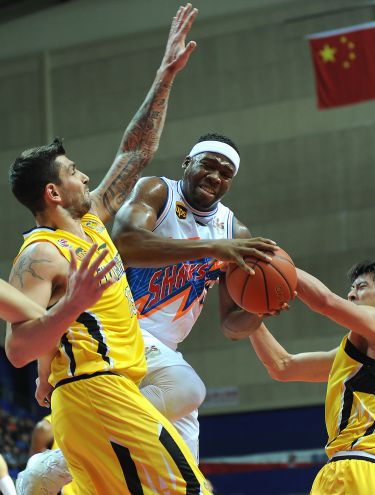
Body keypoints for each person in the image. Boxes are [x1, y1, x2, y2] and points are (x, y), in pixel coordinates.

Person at [8, 4, 213, 494]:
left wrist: (164, 76)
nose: (84, 176)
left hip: (104, 391)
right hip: (97, 392)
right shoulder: (41, 254)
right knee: (188, 488)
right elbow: (17, 347)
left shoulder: (92, 223)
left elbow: (135, 152)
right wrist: (69, 310)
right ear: (53, 193)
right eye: (72, 172)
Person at [111, 132, 279, 462]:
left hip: (166, 348)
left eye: (226, 173)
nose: (216, 177)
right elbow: (126, 245)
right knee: (188, 388)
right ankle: (77, 441)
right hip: (123, 327)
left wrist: (261, 308)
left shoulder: (234, 231)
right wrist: (211, 248)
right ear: (188, 163)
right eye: (209, 165)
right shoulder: (157, 191)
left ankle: (61, 459)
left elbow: (231, 327)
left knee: (185, 466)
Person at [250, 259, 375, 495]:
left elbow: (326, 301)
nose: (351, 294)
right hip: (354, 470)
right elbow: (283, 367)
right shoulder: (357, 356)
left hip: (365, 470)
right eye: (351, 288)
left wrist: (270, 262)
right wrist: (252, 314)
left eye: (361, 287)